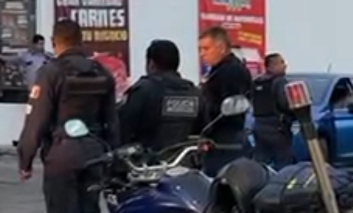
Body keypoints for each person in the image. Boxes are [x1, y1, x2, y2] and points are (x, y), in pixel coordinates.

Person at [17, 19, 119, 213]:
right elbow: (113, 121)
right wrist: (111, 157)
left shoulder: (50, 73)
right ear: (80, 39)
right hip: (95, 156)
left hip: (62, 157)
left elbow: (36, 120)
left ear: (55, 41)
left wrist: (25, 159)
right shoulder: (103, 73)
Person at [117, 39, 203, 153]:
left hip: (146, 165)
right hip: (183, 163)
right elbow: (202, 131)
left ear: (151, 63)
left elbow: (124, 130)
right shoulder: (195, 93)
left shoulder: (143, 90)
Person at [197, 27, 253, 176]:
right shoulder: (218, 70)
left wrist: (209, 121)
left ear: (221, 48)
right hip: (218, 139)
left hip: (226, 141)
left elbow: (229, 106)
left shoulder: (230, 71)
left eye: (206, 48)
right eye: (200, 49)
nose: (202, 53)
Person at [250, 52, 295, 168]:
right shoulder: (279, 81)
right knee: (284, 163)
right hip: (277, 128)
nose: (285, 65)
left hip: (259, 127)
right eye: (281, 63)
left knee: (261, 163)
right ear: (271, 66)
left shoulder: (257, 82)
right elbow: (285, 103)